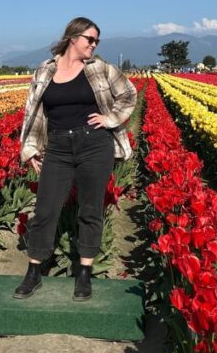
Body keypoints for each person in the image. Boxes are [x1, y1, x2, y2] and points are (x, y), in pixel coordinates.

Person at [14, 17, 137, 301]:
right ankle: (34, 271)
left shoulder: (100, 68)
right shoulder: (45, 71)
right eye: (89, 40)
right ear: (73, 38)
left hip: (94, 144)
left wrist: (109, 119)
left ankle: (84, 273)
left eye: (96, 41)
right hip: (57, 146)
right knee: (45, 209)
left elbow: (129, 94)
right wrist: (31, 148)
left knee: (90, 209)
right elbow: (32, 111)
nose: (93, 45)